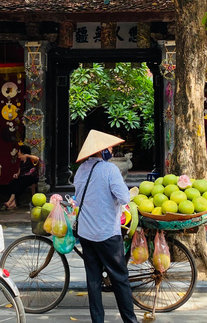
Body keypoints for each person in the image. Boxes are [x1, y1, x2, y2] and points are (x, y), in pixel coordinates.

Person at [73, 130, 138, 323]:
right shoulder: (110, 170)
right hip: (106, 234)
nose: (111, 150)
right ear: (102, 151)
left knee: (93, 280)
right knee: (120, 279)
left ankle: (98, 321)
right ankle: (130, 320)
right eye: (109, 148)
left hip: (85, 232)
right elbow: (124, 197)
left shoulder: (81, 170)